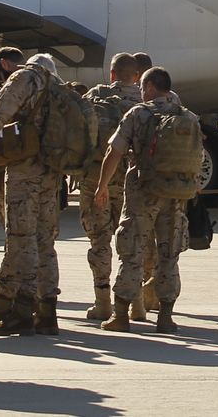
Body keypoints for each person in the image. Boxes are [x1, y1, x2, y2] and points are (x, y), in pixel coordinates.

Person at [95, 66, 199, 333]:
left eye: (143, 87)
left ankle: (120, 316)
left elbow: (115, 151)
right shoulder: (187, 116)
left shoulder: (139, 113)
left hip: (144, 191)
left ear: (151, 87)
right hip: (176, 193)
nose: (141, 92)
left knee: (131, 251)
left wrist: (102, 186)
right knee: (169, 254)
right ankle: (165, 317)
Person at [0, 52, 66, 337]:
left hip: (24, 172)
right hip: (51, 173)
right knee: (45, 241)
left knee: (21, 240)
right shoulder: (57, 87)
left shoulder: (25, 78)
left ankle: (22, 312)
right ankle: (48, 312)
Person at [80, 52, 143, 321]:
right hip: (132, 180)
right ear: (137, 76)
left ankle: (102, 301)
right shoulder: (145, 102)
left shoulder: (96, 96)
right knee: (133, 242)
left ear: (112, 74)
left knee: (100, 240)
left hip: (97, 178)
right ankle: (136, 303)